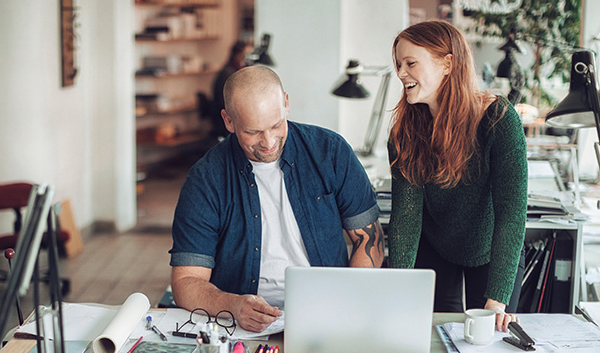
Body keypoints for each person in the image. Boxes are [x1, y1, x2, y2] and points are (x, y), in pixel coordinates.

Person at [170, 66, 384, 332]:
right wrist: (233, 305)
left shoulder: (331, 152)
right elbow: (186, 280)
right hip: (239, 325)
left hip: (327, 314)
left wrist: (344, 300)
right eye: (253, 132)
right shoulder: (206, 179)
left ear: (285, 103)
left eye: (275, 125)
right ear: (228, 121)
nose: (269, 142)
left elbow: (370, 240)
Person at [387, 20, 527, 332]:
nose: (400, 73)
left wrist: (497, 300)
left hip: (493, 249)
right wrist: (396, 287)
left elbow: (511, 215)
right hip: (436, 246)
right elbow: (405, 221)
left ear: (447, 64)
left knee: (488, 342)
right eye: (398, 64)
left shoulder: (499, 120)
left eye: (410, 63)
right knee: (431, 336)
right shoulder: (405, 131)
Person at [210, 40, 252, 139]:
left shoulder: (237, 71)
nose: (249, 60)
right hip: (225, 123)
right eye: (246, 56)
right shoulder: (229, 74)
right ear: (237, 55)